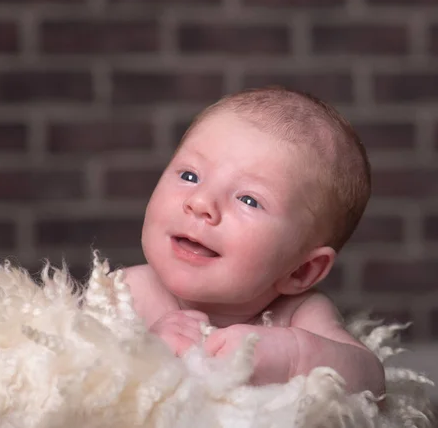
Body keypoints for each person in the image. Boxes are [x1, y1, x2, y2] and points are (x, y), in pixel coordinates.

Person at [121, 86, 385, 397]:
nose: (201, 201)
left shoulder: (299, 314)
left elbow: (373, 383)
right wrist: (145, 352)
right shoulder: (129, 291)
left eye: (248, 200)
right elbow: (72, 377)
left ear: (302, 270)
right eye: (190, 176)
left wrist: (295, 356)